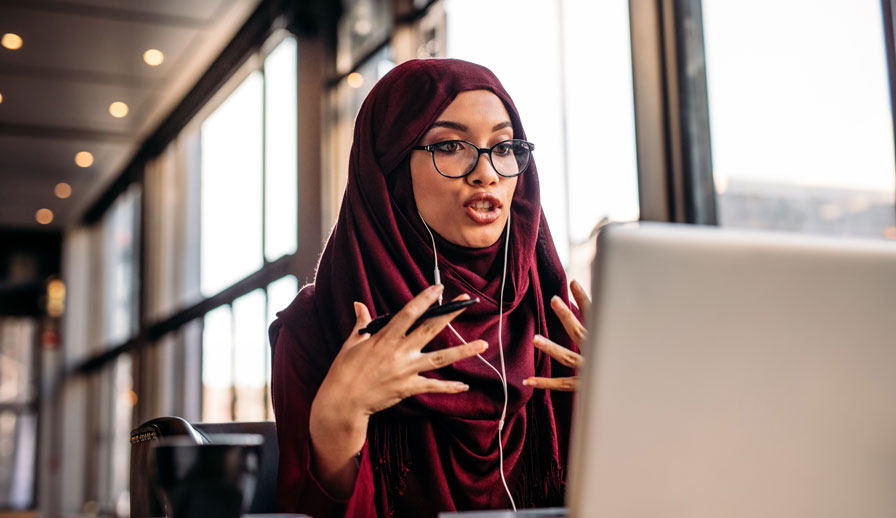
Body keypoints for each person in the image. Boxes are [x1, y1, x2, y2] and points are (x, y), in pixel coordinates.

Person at [269, 58, 588, 518]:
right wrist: (338, 419)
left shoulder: (553, 317)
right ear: (389, 171)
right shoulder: (319, 326)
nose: (487, 174)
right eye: (452, 145)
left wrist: (623, 408)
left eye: (503, 146)